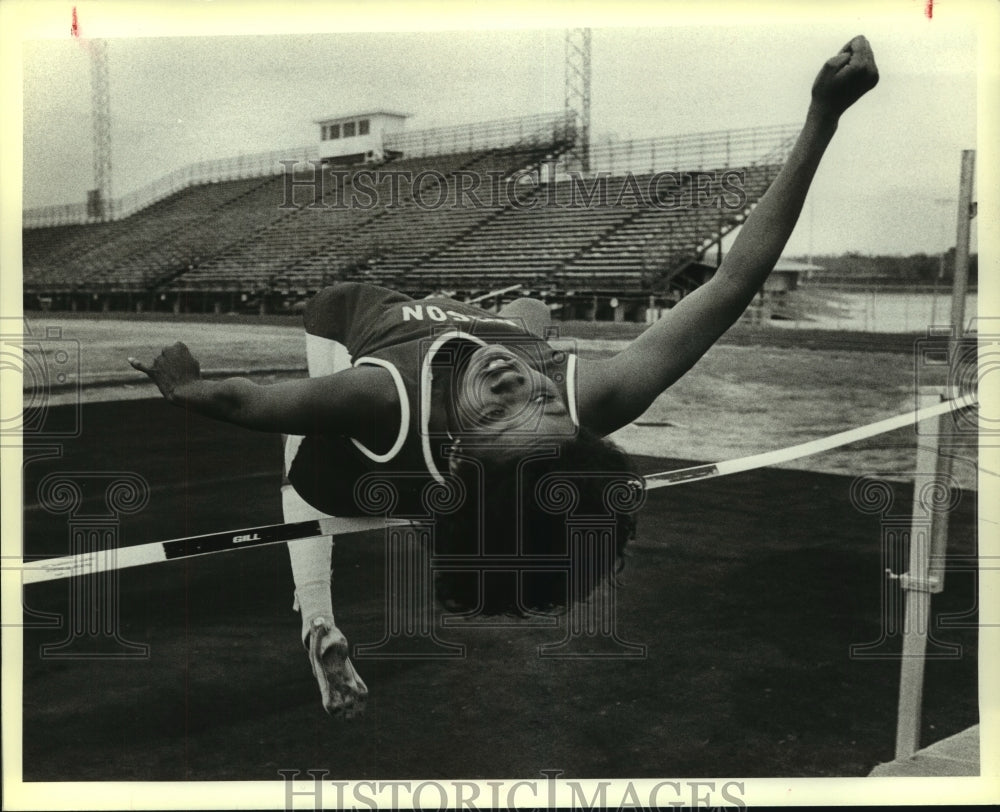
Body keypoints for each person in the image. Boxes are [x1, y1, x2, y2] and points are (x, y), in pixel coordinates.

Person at [130, 36, 879, 717]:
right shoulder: (576, 395)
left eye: (503, 406)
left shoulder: (377, 396)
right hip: (451, 423)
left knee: (295, 472)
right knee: (526, 316)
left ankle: (315, 617)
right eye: (543, 394)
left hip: (351, 362)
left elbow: (251, 402)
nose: (522, 381)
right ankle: (465, 488)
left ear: (462, 452)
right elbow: (732, 282)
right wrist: (822, 118)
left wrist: (187, 388)